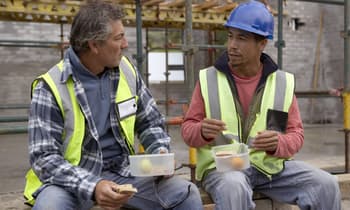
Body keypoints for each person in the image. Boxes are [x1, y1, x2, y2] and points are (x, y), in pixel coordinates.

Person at [24, 1, 203, 210]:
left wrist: (159, 151)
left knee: (185, 194)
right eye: (118, 38)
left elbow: (150, 122)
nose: (126, 44)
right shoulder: (51, 86)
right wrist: (94, 186)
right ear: (94, 45)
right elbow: (44, 158)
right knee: (49, 207)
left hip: (122, 173)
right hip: (70, 182)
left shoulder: (126, 71)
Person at [181, 1, 341, 210]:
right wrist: (201, 130)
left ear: (262, 43)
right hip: (224, 170)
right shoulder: (209, 79)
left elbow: (295, 134)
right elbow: (187, 130)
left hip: (270, 169)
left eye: (242, 38)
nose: (232, 45)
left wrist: (278, 143)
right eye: (230, 36)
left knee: (326, 185)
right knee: (234, 187)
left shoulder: (281, 84)